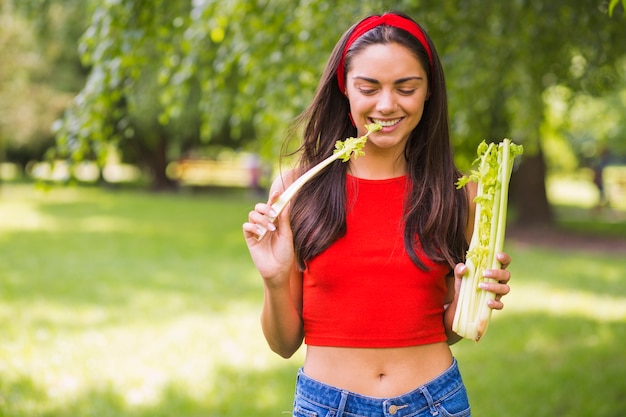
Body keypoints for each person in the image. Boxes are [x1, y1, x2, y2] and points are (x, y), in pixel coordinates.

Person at [243, 11, 512, 417]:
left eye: (406, 88)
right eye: (368, 87)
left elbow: (440, 330)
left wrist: (470, 301)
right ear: (345, 89)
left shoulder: (460, 194)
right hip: (325, 405)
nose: (387, 105)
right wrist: (275, 279)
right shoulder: (297, 191)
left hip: (434, 403)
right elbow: (283, 344)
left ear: (429, 92)